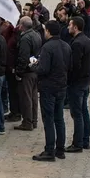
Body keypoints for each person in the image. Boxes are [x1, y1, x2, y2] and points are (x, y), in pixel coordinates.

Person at [32, 21, 71, 162]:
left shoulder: (47, 47)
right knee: (59, 118)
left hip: (48, 87)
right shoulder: (66, 46)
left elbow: (43, 69)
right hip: (61, 86)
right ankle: (60, 149)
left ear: (48, 31)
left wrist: (34, 67)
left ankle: (49, 150)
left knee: (48, 119)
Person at [66, 16, 90, 153]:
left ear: (75, 27)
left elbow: (75, 66)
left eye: (70, 25)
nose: (68, 27)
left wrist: (69, 80)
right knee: (84, 111)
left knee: (77, 114)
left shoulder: (77, 43)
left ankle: (78, 143)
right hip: (85, 81)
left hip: (77, 83)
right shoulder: (87, 40)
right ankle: (85, 139)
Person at [15, 16, 42, 131]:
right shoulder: (36, 35)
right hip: (35, 69)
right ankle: (34, 120)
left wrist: (19, 72)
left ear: (22, 26)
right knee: (33, 97)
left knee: (26, 98)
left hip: (27, 71)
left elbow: (23, 57)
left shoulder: (25, 38)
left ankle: (27, 122)